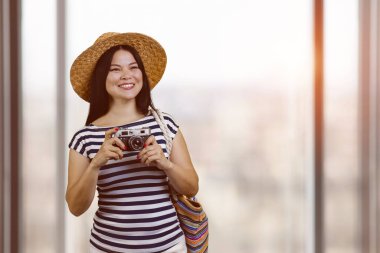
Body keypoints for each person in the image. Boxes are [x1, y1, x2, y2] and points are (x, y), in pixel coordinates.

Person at [66, 32, 199, 253]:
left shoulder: (165, 124)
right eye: (115, 69)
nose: (126, 75)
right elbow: (75, 207)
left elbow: (192, 186)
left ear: (142, 75)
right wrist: (96, 164)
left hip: (170, 248)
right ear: (101, 78)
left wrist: (165, 164)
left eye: (133, 67)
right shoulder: (85, 138)